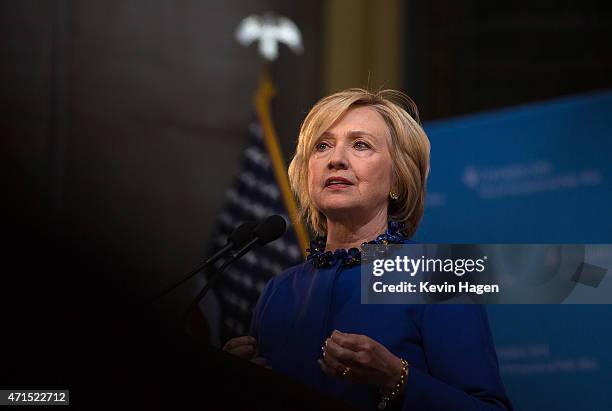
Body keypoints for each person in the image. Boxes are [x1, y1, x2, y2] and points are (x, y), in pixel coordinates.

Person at [223, 88, 513, 410]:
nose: (336, 159)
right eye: (322, 146)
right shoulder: (278, 290)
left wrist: (396, 378)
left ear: (398, 179)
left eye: (360, 145)